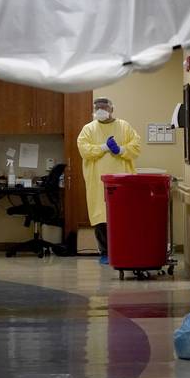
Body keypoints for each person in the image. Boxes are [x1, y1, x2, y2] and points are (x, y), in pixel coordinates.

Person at [77, 97, 141, 265]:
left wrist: (121, 149)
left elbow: (136, 146)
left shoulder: (124, 127)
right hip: (97, 181)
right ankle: (105, 252)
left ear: (112, 109)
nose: (100, 110)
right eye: (97, 107)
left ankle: (124, 250)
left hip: (122, 180)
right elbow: (84, 150)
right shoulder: (88, 129)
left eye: (103, 107)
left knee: (122, 217)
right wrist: (103, 148)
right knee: (101, 218)